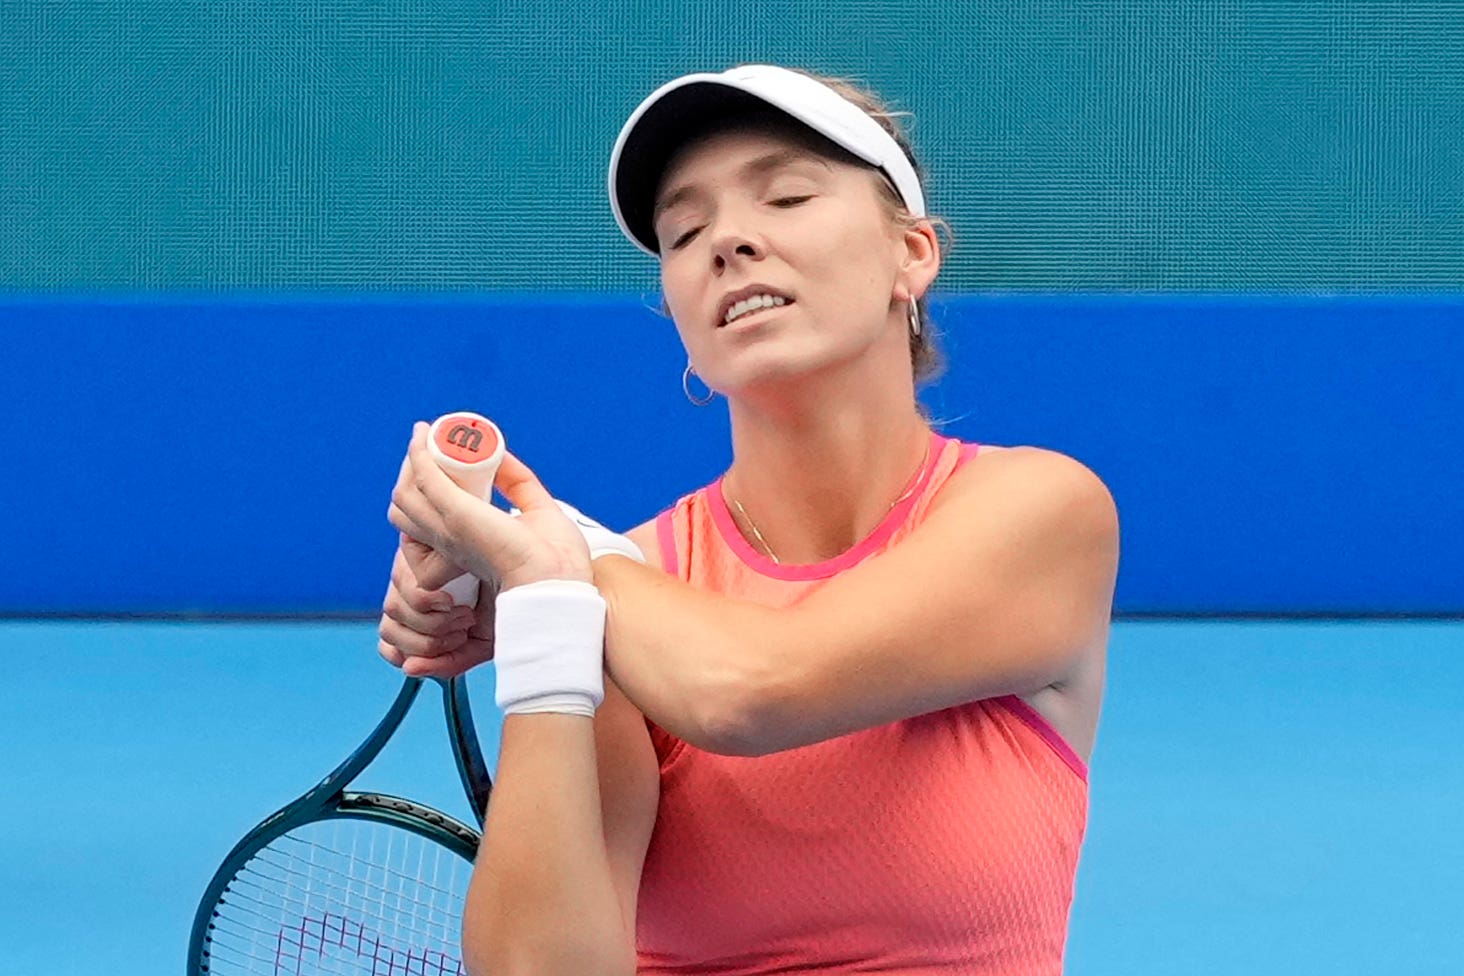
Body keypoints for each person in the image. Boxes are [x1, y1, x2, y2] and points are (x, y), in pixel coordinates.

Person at [381, 64, 1119, 975]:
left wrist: (559, 573)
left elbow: (752, 689)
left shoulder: (1042, 510)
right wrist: (544, 632)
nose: (729, 240)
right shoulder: (628, 592)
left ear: (913, 255)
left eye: (788, 196)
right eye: (685, 231)